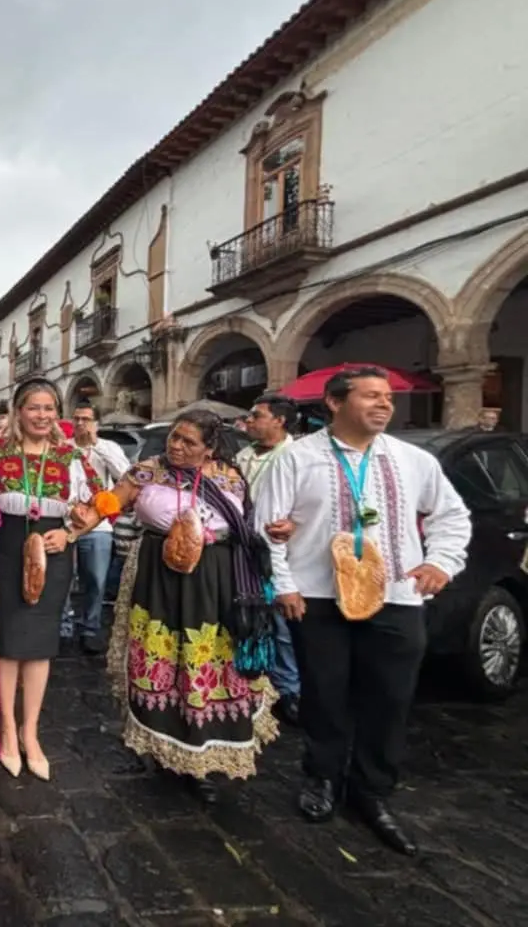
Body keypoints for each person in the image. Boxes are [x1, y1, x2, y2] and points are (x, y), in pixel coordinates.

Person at [253, 366, 471, 855]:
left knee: (390, 699)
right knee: (324, 695)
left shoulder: (413, 460)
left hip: (396, 594)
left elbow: (452, 515)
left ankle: (372, 791)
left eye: (387, 396)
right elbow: (265, 524)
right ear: (335, 402)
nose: (384, 403)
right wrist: (284, 585)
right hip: (317, 596)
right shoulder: (298, 459)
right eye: (370, 395)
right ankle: (323, 777)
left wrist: (441, 561)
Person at [99, 409, 277, 803]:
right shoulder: (148, 471)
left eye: (188, 442)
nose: (176, 446)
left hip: (218, 581)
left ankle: (202, 757)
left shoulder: (230, 477)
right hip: (158, 580)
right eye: (174, 437)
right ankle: (161, 747)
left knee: (206, 661)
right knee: (164, 660)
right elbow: (111, 502)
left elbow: (247, 525)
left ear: (209, 449)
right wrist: (84, 517)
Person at [0, 379, 101, 781]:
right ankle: (6, 730)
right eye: (33, 407)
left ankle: (29, 732)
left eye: (49, 408)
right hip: (5, 549)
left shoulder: (71, 457)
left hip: (53, 550)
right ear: (18, 411)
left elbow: (102, 502)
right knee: (8, 643)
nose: (42, 415)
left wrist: (71, 533)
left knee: (40, 645)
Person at [237, 393, 302, 727]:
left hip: (280, 552)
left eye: (256, 415)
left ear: (279, 420)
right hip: (242, 550)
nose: (249, 421)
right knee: (246, 617)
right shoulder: (242, 456)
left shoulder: (297, 457)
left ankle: (289, 690)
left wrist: (295, 523)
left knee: (281, 624)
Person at [65, 403, 130, 654]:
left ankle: (89, 627)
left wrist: (96, 446)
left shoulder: (109, 447)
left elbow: (125, 476)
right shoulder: (64, 448)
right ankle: (64, 626)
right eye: (77, 418)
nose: (80, 423)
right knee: (64, 578)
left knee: (95, 579)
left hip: (99, 524)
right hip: (67, 522)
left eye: (86, 419)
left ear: (96, 423)